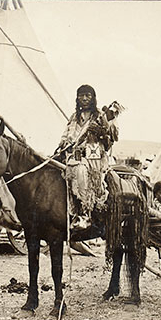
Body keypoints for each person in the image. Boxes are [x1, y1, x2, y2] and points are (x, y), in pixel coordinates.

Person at [56, 84, 121, 230]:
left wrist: (101, 132)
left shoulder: (99, 116)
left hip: (94, 158)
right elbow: (66, 135)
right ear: (77, 98)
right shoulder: (74, 117)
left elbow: (111, 140)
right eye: (81, 95)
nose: (84, 98)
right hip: (73, 156)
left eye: (88, 95)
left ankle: (85, 214)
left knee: (81, 171)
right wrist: (63, 144)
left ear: (93, 98)